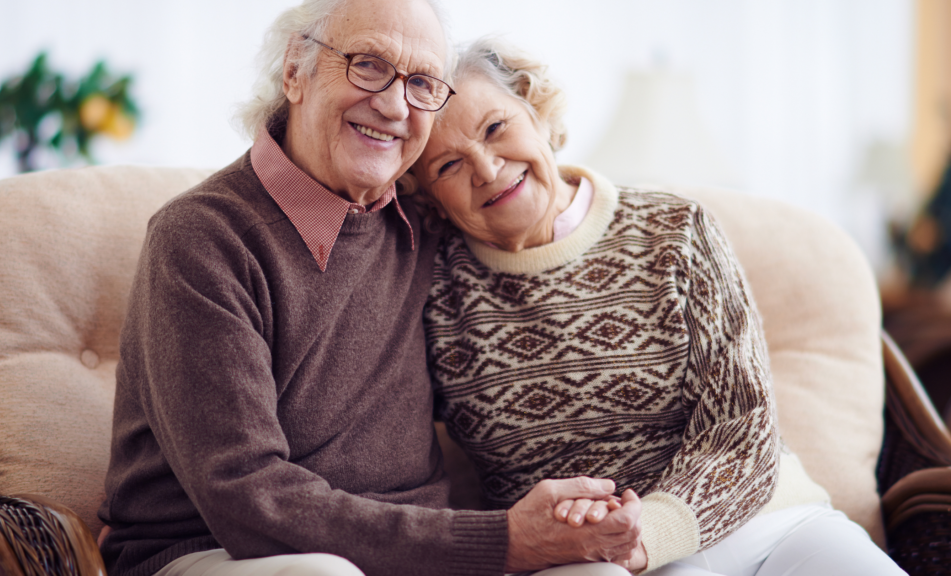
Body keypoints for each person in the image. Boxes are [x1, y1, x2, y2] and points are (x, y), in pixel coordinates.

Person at [97, 2, 646, 576]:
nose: (393, 105)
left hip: (417, 557)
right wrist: (501, 540)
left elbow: (528, 217)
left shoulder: (423, 220)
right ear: (294, 72)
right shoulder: (202, 239)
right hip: (223, 552)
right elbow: (247, 498)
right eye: (367, 65)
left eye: (423, 83)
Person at [409, 37, 907, 576]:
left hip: (765, 520)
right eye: (448, 166)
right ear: (426, 196)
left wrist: (649, 535)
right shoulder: (433, 289)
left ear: (535, 110)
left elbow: (743, 424)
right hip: (586, 556)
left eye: (495, 128)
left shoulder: (675, 230)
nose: (485, 168)